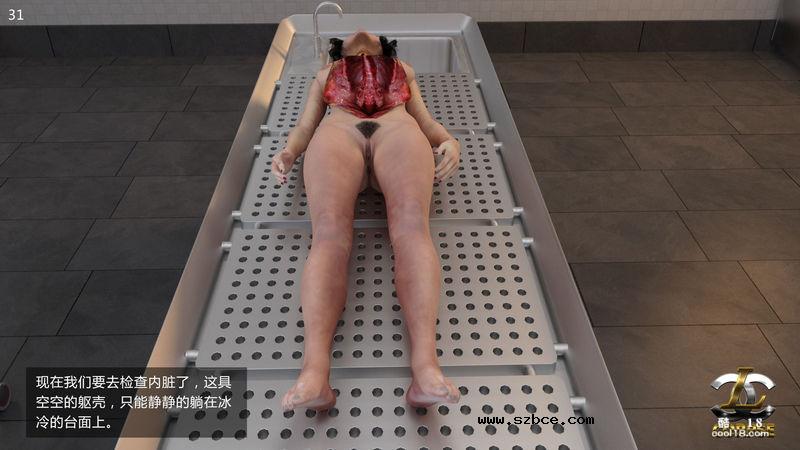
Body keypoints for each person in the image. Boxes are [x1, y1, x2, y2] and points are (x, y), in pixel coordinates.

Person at [272, 29, 462, 412]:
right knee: (328, 235)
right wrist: (290, 152)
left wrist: (449, 141)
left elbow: (426, 121)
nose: (359, 32)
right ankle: (314, 373)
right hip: (338, 134)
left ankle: (426, 368)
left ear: (384, 48)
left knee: (412, 227)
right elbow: (306, 126)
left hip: (398, 133)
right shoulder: (326, 75)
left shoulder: (403, 70)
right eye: (350, 36)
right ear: (338, 52)